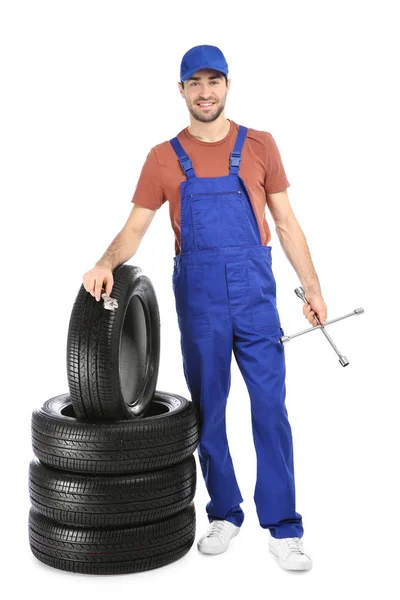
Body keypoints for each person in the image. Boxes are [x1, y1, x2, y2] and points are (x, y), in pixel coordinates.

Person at [83, 45, 327, 572]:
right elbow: (135, 229)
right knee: (208, 409)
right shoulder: (163, 157)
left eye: (214, 81)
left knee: (269, 408)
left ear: (228, 86)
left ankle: (284, 528)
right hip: (199, 297)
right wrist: (104, 262)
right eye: (195, 82)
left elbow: (285, 222)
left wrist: (312, 287)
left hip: (255, 295)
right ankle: (225, 513)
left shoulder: (261, 145)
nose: (205, 91)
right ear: (181, 91)